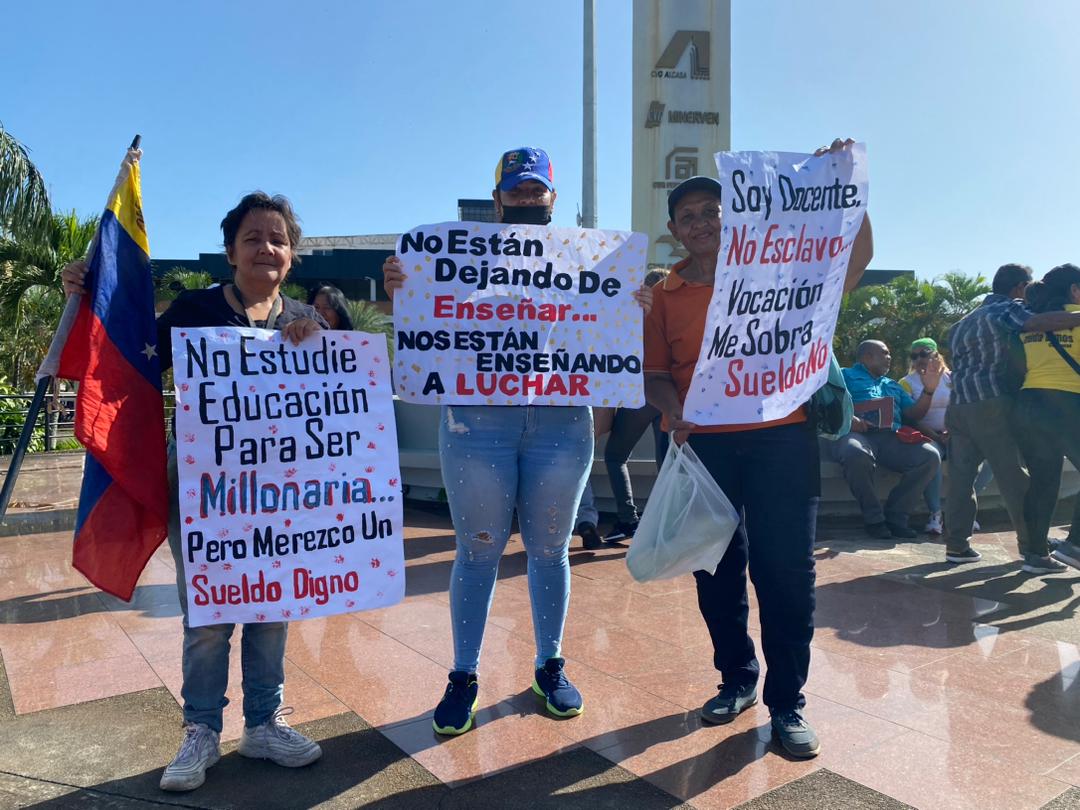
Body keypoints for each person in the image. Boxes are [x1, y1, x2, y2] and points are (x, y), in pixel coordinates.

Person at [382, 147, 652, 736]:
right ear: (498, 196)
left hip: (560, 421)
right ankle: (463, 675)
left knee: (550, 550)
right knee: (478, 549)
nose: (528, 197)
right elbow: (431, 324)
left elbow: (607, 337)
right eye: (517, 189)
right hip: (478, 423)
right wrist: (403, 290)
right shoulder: (454, 259)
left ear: (552, 198)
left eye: (537, 189)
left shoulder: (589, 262)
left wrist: (633, 308)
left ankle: (549, 666)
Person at [63, 192, 327, 792]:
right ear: (231, 251)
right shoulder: (192, 310)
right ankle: (201, 729)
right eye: (254, 237)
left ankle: (264, 723)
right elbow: (125, 357)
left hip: (283, 501)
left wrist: (318, 341)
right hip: (206, 494)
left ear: (292, 257)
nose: (267, 247)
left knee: (273, 609)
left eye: (278, 239)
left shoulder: (304, 322)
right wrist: (87, 297)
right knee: (208, 616)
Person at [643, 138, 874, 759]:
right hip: (704, 452)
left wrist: (839, 182)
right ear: (674, 231)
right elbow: (656, 372)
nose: (700, 223)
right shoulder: (662, 297)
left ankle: (789, 703)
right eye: (687, 216)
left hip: (782, 443)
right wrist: (671, 410)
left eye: (710, 211)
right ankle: (737, 679)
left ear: (732, 216)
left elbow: (857, 252)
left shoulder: (782, 271)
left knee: (787, 576)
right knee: (714, 572)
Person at [944, 263, 1080, 564]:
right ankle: (1034, 549)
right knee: (1014, 478)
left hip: (958, 406)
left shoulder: (962, 323)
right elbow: (1035, 325)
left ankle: (956, 544)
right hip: (991, 403)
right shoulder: (1009, 309)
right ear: (1019, 287)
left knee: (960, 480)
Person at [822, 340, 942, 539]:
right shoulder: (844, 375)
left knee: (929, 456)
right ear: (867, 356)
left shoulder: (892, 385)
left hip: (890, 437)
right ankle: (874, 519)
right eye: (885, 353)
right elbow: (827, 401)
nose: (889, 358)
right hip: (855, 434)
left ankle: (896, 516)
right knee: (855, 453)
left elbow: (914, 414)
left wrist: (929, 390)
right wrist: (848, 419)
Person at [1014, 264, 1080, 573]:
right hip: (1068, 403)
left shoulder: (1033, 321)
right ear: (1075, 290)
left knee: (1043, 482)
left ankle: (1036, 554)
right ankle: (1075, 546)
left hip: (1030, 403)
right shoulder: (1074, 318)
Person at [899, 338, 993, 535]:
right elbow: (911, 418)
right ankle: (936, 513)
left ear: (935, 354)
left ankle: (962, 508)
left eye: (923, 353)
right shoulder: (906, 383)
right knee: (931, 456)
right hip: (928, 435)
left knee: (991, 456)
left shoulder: (953, 378)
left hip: (956, 433)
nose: (919, 359)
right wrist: (936, 435)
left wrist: (954, 430)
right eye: (914, 356)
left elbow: (966, 408)